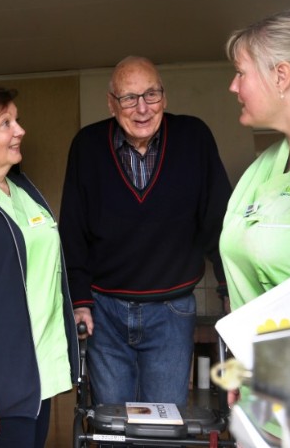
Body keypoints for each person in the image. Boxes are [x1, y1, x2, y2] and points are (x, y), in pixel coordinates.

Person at [59, 56, 231, 407]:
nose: (142, 109)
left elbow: (219, 219)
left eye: (151, 95)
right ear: (111, 103)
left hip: (172, 309)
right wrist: (79, 301)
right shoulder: (87, 146)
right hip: (104, 309)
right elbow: (73, 229)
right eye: (129, 98)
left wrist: (228, 286)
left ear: (164, 98)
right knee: (112, 424)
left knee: (165, 424)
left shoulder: (193, 137)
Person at [0, 84, 79, 448]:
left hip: (39, 375)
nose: (20, 130)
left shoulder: (22, 188)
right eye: (5, 123)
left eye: (18, 120)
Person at [220, 10, 290, 317]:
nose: (233, 87)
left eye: (241, 73)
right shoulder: (262, 167)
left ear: (281, 76)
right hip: (267, 358)